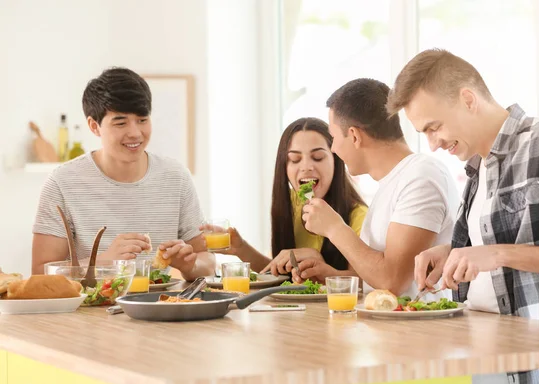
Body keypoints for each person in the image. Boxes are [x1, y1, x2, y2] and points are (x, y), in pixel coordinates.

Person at [390, 48, 539, 384]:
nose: (433, 143)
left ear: (468, 99)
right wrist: (452, 254)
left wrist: (499, 254)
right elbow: (492, 249)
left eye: (434, 127)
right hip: (494, 366)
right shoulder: (476, 170)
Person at [32, 67, 215, 281]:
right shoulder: (62, 183)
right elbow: (40, 273)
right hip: (90, 312)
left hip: (159, 309)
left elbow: (207, 262)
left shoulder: (176, 177)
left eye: (142, 120)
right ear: (94, 126)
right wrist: (104, 262)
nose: (135, 133)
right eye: (120, 123)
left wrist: (190, 266)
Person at [301, 78, 458, 299]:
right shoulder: (394, 182)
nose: (334, 149)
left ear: (354, 136)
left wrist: (334, 228)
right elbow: (381, 277)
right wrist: (333, 276)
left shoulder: (421, 177)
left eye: (334, 138)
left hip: (422, 331)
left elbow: (392, 281)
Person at [204, 117, 367, 280]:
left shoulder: (359, 216)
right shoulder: (291, 203)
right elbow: (282, 274)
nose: (306, 167)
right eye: (295, 159)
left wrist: (321, 267)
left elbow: (367, 282)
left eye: (318, 157)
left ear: (335, 161)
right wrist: (241, 248)